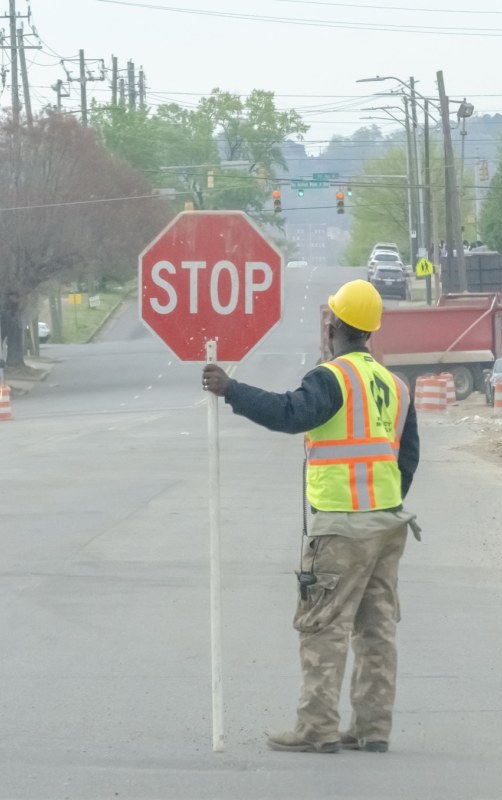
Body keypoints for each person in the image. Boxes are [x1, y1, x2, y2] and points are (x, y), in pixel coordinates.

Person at [202, 279, 420, 755]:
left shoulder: (332, 378)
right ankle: (372, 727)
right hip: (388, 523)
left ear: (336, 325)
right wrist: (383, 501)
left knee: (323, 625)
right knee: (376, 630)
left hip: (342, 526)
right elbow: (407, 457)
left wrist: (232, 389)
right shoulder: (393, 384)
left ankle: (317, 727)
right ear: (371, 331)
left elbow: (289, 414)